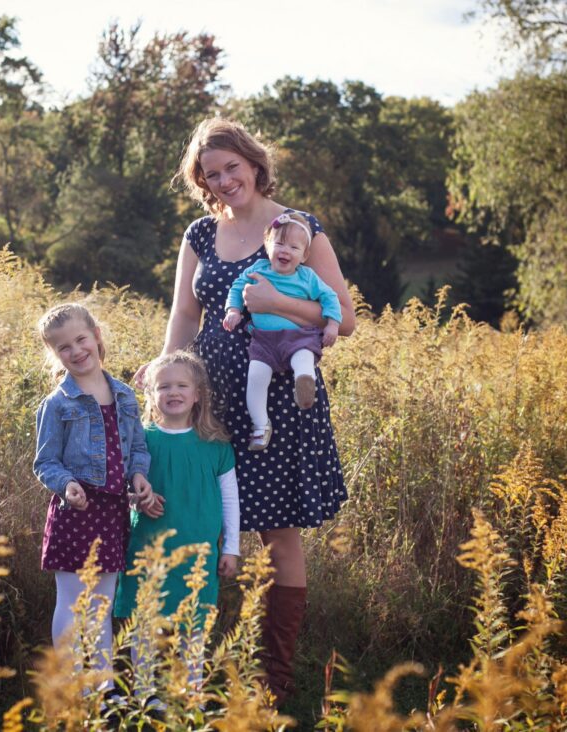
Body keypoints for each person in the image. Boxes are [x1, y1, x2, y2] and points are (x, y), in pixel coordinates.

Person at [136, 117, 356, 707]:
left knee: (277, 534)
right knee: (198, 520)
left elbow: (345, 320)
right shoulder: (200, 236)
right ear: (202, 183)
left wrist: (277, 301)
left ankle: (273, 681)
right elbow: (184, 314)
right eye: (212, 174)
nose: (225, 180)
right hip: (209, 399)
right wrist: (163, 367)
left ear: (254, 164)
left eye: (232, 167)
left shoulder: (299, 228)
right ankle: (189, 663)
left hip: (280, 398)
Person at [33, 302, 162, 687]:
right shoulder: (57, 405)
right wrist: (66, 485)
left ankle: (103, 686)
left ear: (96, 336)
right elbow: (46, 463)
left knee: (101, 606)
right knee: (73, 603)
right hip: (76, 510)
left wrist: (139, 475)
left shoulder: (124, 396)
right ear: (55, 355)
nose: (75, 351)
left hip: (111, 512)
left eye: (80, 339)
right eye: (63, 348)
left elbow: (137, 448)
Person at [114, 351, 240, 696]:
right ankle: (144, 696)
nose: (173, 392)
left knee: (193, 625)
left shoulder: (216, 445)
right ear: (150, 394)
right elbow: (123, 487)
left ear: (197, 394)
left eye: (182, 385)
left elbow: (230, 501)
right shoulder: (142, 439)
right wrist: (137, 498)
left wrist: (231, 548)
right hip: (148, 544)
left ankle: (189, 697)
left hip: (198, 548)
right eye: (163, 386)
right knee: (144, 621)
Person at [223, 212, 342, 450]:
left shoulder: (307, 277)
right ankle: (260, 425)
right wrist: (234, 310)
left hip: (298, 338)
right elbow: (237, 286)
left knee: (304, 358)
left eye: (294, 247)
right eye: (278, 243)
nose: (284, 250)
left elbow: (330, 297)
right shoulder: (259, 269)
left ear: (304, 255)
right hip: (263, 342)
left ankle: (304, 385)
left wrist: (332, 324)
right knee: (255, 379)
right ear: (267, 246)